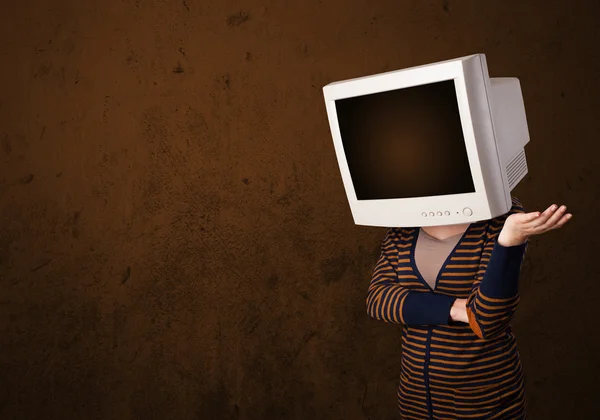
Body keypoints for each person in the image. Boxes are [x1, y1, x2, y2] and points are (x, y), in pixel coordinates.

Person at [367, 197, 572, 419]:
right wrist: (455, 309)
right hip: (415, 399)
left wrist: (510, 240)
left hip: (484, 401)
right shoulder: (402, 226)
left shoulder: (499, 216)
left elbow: (488, 320)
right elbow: (377, 298)